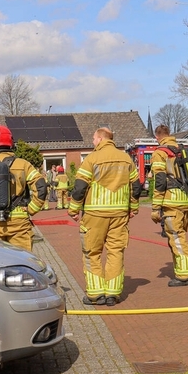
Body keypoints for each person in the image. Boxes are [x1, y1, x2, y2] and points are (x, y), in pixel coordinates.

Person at [68, 127, 142, 305]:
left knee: (92, 252)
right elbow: (136, 186)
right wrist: (133, 207)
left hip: (95, 214)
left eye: (93, 138)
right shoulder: (126, 159)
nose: (93, 142)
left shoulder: (92, 159)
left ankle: (95, 294)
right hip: (119, 214)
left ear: (100, 139)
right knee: (115, 252)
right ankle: (113, 294)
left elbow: (79, 187)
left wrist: (73, 209)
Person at [150, 124, 188, 287]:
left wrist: (155, 207)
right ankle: (182, 270)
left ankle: (185, 275)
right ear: (169, 134)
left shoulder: (160, 153)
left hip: (172, 202)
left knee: (177, 237)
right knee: (181, 235)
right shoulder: (182, 149)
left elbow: (160, 181)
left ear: (157, 137)